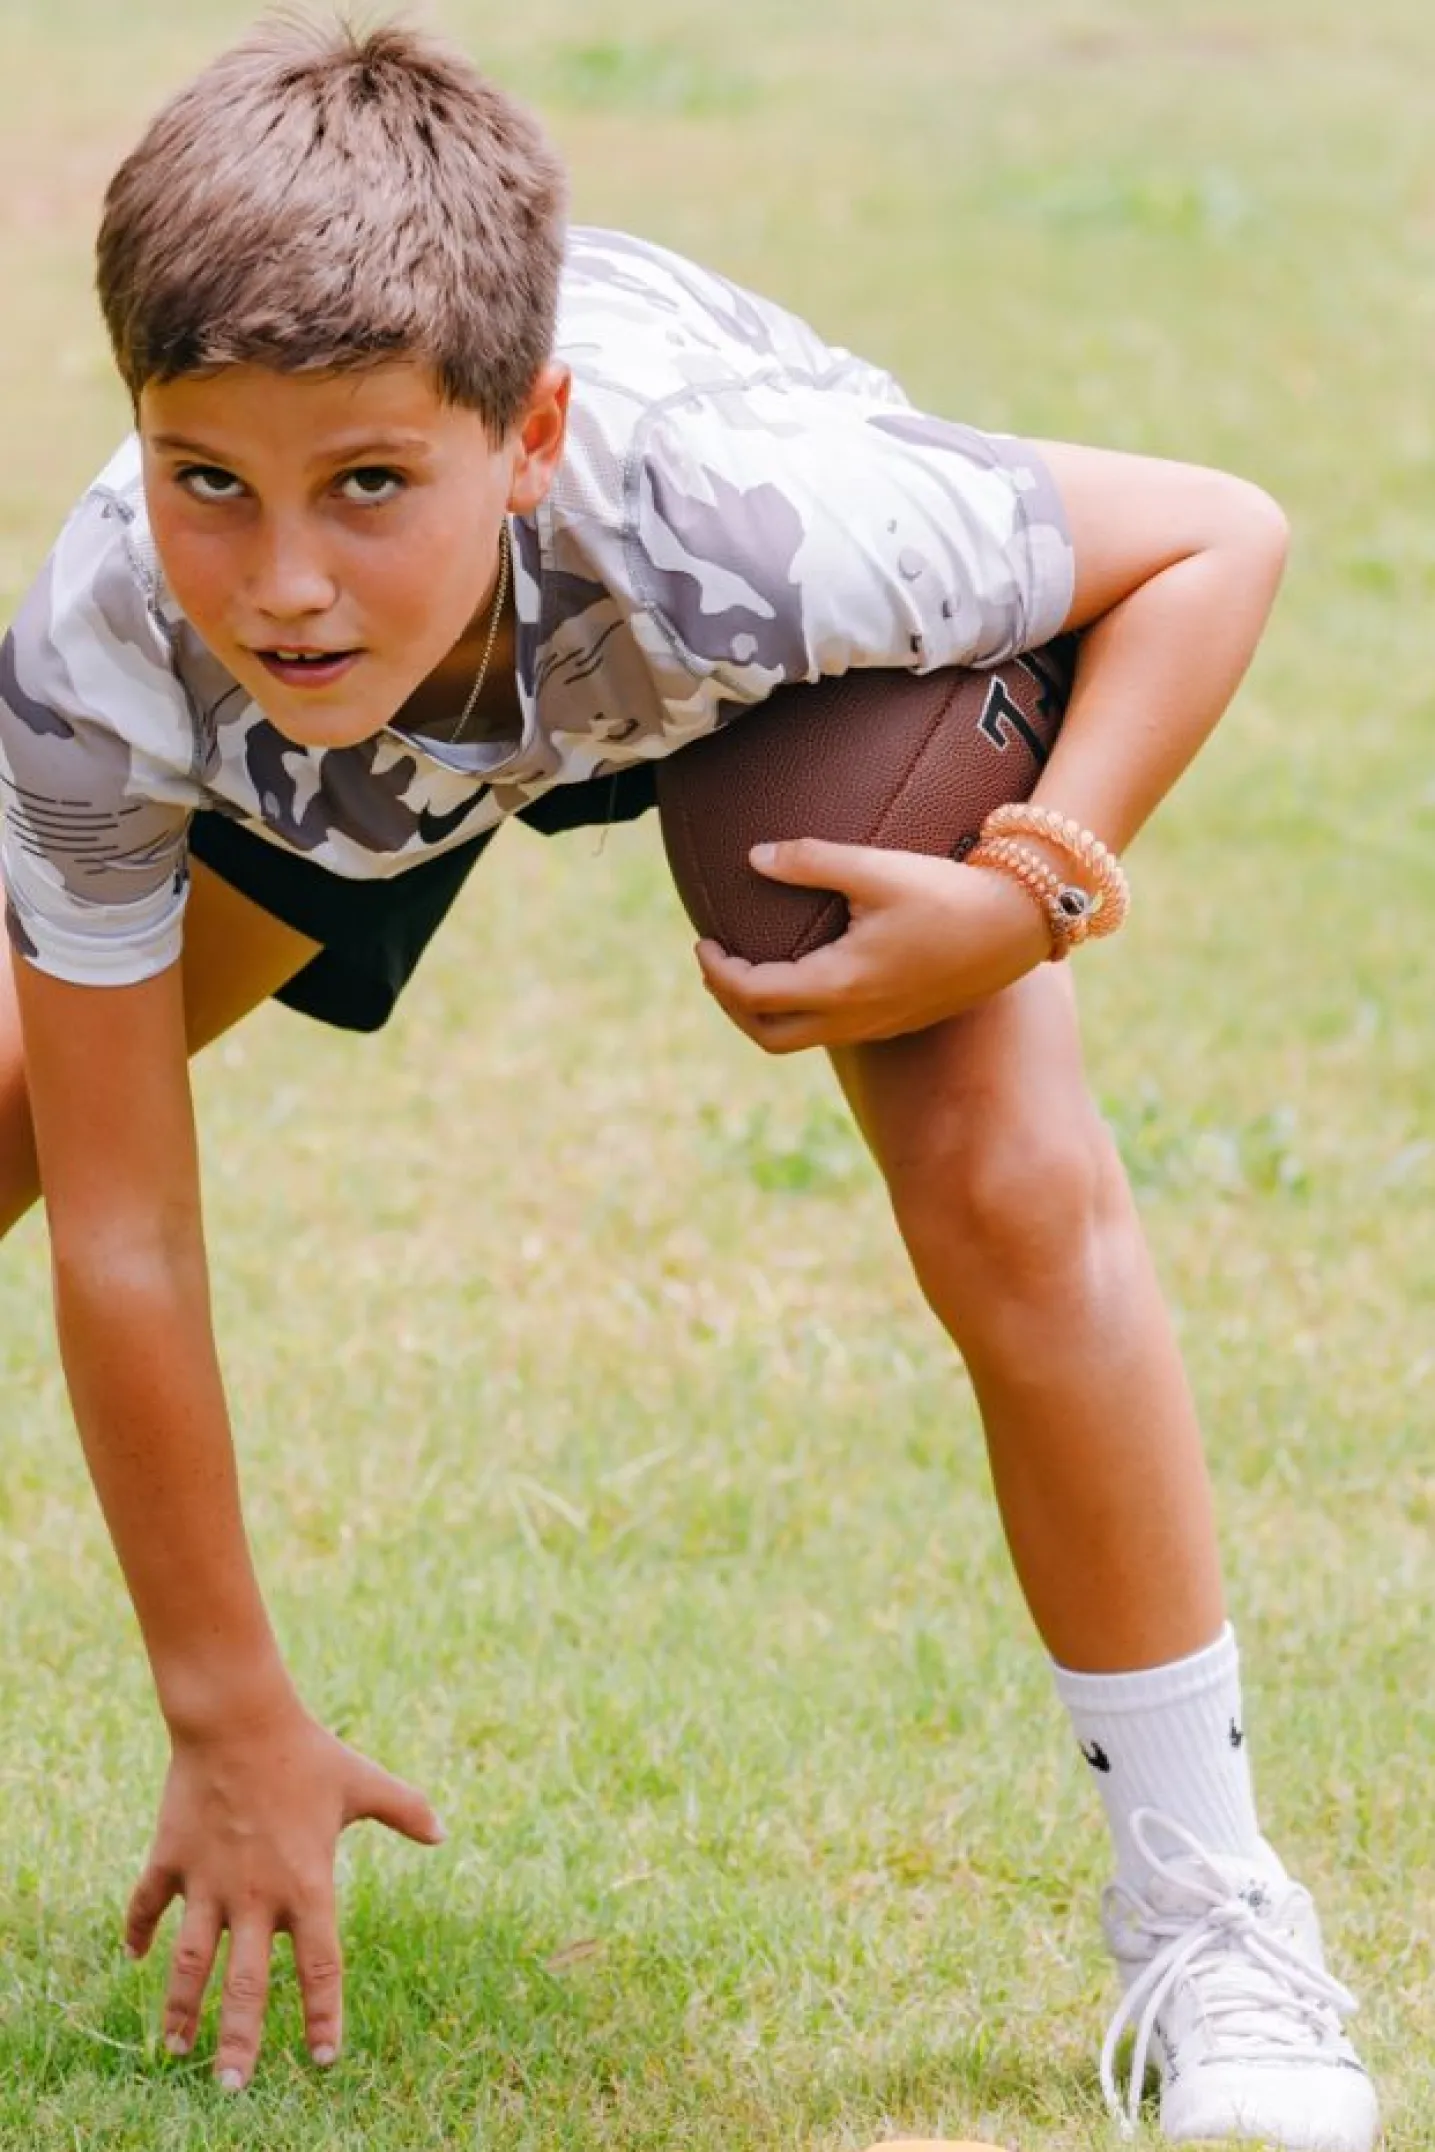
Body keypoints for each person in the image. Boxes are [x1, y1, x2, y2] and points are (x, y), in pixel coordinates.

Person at [0, 17, 1376, 2146]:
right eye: (209, 478)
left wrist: (1030, 891)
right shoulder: (134, 638)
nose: (278, 563)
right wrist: (228, 1705)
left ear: (523, 428)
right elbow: (123, 1216)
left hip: (717, 663)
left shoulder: (763, 521)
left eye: (363, 475)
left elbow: (1220, 534)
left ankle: (1218, 1913)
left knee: (1000, 1168)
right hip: (362, 731)